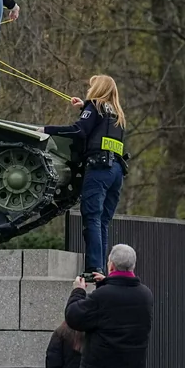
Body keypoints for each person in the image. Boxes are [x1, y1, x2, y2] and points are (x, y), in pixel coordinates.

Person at [40, 75, 128, 275]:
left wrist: (46, 130)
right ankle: (101, 270)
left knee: (92, 218)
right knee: (102, 222)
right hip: (116, 172)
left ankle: (93, 267)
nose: (89, 90)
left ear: (98, 89)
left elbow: (79, 130)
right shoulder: (117, 113)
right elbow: (99, 127)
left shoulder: (95, 105)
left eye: (91, 87)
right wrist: (84, 108)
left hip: (99, 169)